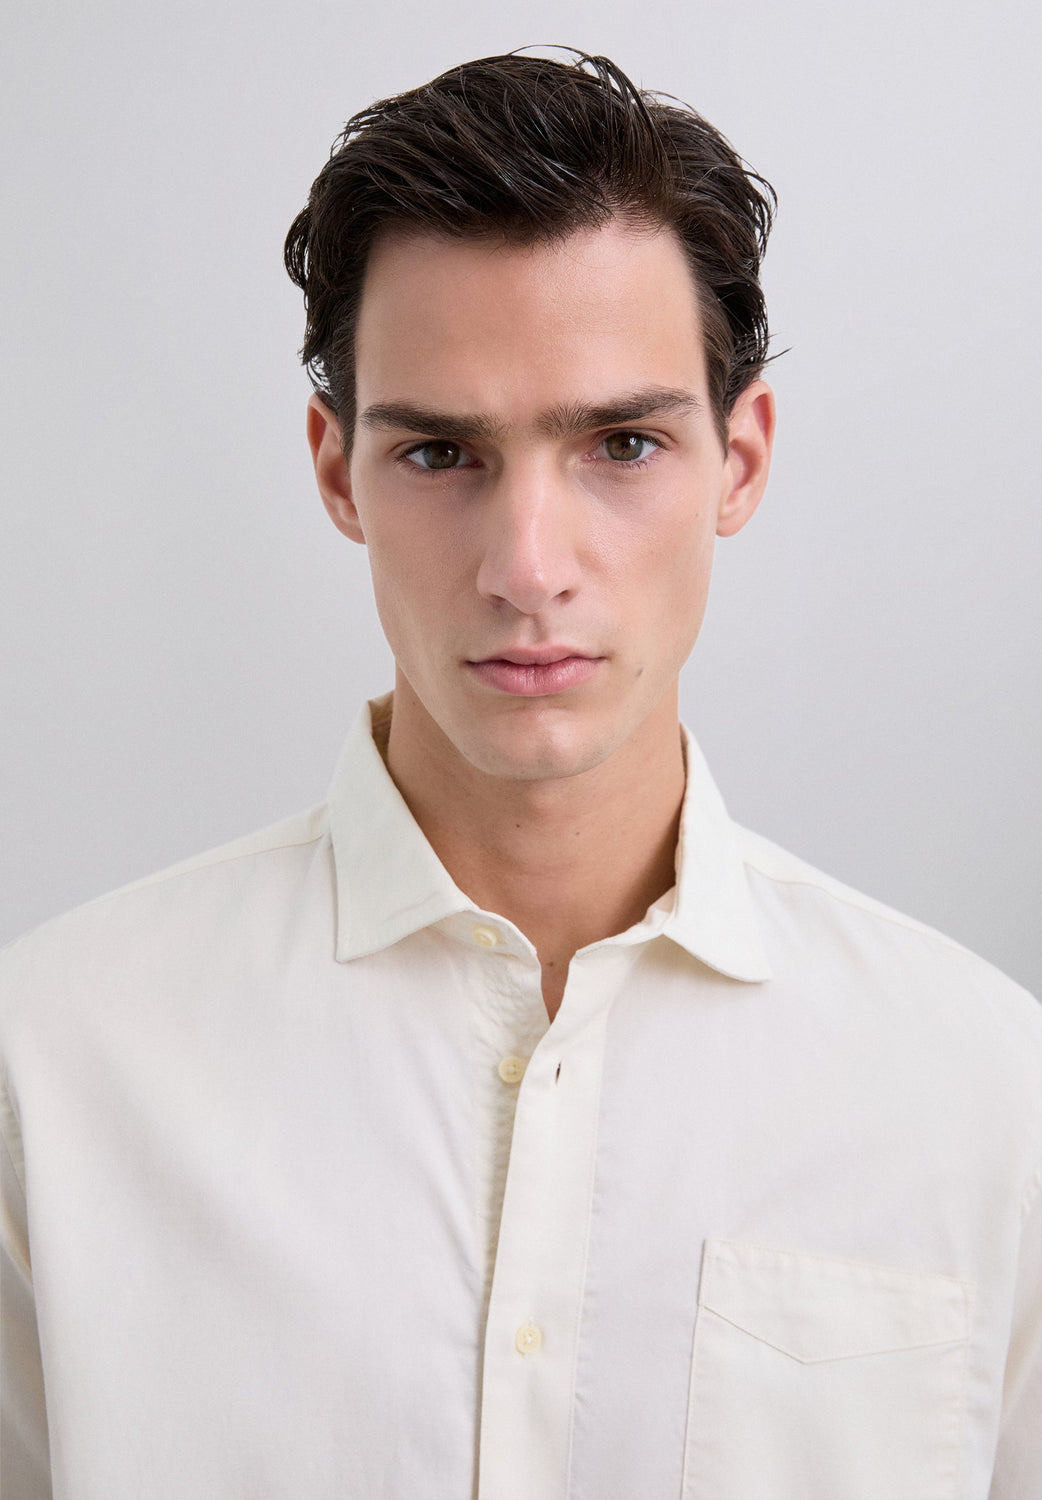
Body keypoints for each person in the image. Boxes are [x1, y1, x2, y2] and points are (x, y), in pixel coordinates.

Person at [0, 48, 1037, 1500]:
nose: (527, 567)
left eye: (622, 443)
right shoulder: (51, 1069)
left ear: (739, 461)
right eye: (441, 454)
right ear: (336, 470)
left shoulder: (984, 1097)